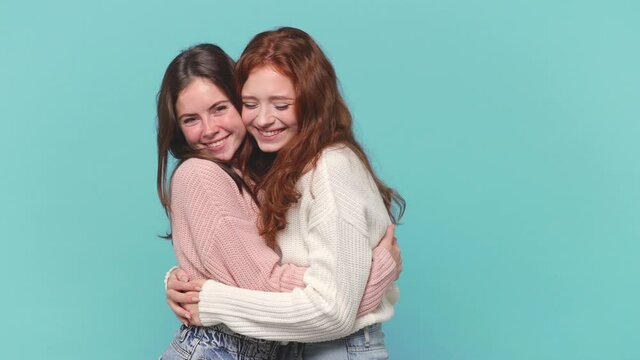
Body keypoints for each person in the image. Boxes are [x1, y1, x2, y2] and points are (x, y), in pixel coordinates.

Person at [167, 27, 406, 359]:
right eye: (251, 103)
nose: (264, 119)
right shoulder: (217, 172)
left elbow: (330, 308)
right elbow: (270, 282)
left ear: (311, 101)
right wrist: (377, 269)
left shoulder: (321, 167)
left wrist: (208, 300)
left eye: (220, 108)